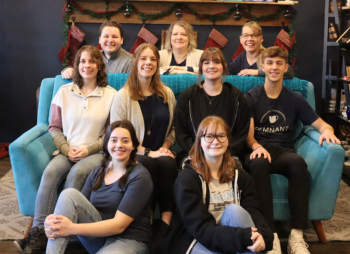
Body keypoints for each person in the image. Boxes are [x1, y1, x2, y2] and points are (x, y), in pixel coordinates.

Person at [14, 45, 117, 254]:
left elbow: (110, 134)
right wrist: (65, 147)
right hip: (67, 150)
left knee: (77, 173)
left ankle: (64, 234)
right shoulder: (63, 91)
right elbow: (54, 127)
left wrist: (89, 150)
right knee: (50, 173)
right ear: (77, 65)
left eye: (92, 61)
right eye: (82, 61)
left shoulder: (111, 95)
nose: (87, 66)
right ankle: (39, 233)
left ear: (99, 65)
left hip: (95, 153)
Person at [243, 46, 341, 254]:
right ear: (263, 67)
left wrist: (328, 131)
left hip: (282, 150)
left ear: (285, 67)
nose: (274, 67)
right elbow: (249, 136)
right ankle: (270, 235)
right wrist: (257, 146)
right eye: (269, 63)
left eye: (279, 63)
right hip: (257, 149)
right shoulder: (251, 97)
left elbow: (322, 124)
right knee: (259, 164)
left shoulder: (294, 98)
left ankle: (296, 236)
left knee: (298, 163)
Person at [156, 116, 273, 254]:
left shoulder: (241, 176)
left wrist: (264, 236)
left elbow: (255, 214)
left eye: (221, 136)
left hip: (233, 238)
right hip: (196, 240)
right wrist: (243, 237)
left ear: (228, 141)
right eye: (209, 136)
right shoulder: (187, 179)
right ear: (199, 141)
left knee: (235, 211)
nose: (216, 141)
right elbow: (201, 229)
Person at [44, 120, 153, 254]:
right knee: (69, 194)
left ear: (133, 145)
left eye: (125, 141)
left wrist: (71, 228)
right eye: (114, 140)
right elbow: (77, 207)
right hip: (98, 238)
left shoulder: (140, 176)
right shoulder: (99, 170)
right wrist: (53, 224)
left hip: (128, 241)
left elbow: (119, 225)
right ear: (107, 144)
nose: (119, 145)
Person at [110, 43, 178, 225]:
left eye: (153, 59)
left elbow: (173, 128)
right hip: (132, 153)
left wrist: (165, 147)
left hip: (160, 151)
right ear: (135, 62)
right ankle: (145, 222)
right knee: (147, 162)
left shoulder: (167, 94)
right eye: (143, 58)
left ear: (157, 64)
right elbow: (116, 136)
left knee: (168, 162)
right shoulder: (123, 96)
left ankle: (166, 223)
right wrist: (148, 152)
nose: (148, 63)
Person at [175, 47, 250, 165]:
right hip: (194, 154)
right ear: (201, 68)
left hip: (228, 154)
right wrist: (199, 152)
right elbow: (181, 132)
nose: (211, 66)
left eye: (216, 62)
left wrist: (222, 152)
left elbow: (241, 133)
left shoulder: (236, 96)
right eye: (207, 63)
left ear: (224, 67)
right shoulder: (187, 96)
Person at [61, 21, 132, 79]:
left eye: (115, 37)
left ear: (121, 40)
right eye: (106, 36)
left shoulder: (130, 61)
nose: (110, 40)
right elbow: (79, 72)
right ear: (100, 40)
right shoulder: (92, 56)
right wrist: (69, 70)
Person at [228, 21, 293, 79]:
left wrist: (255, 72)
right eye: (245, 35)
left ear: (261, 39)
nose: (250, 39)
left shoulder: (269, 55)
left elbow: (288, 72)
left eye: (254, 35)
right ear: (241, 39)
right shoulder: (237, 62)